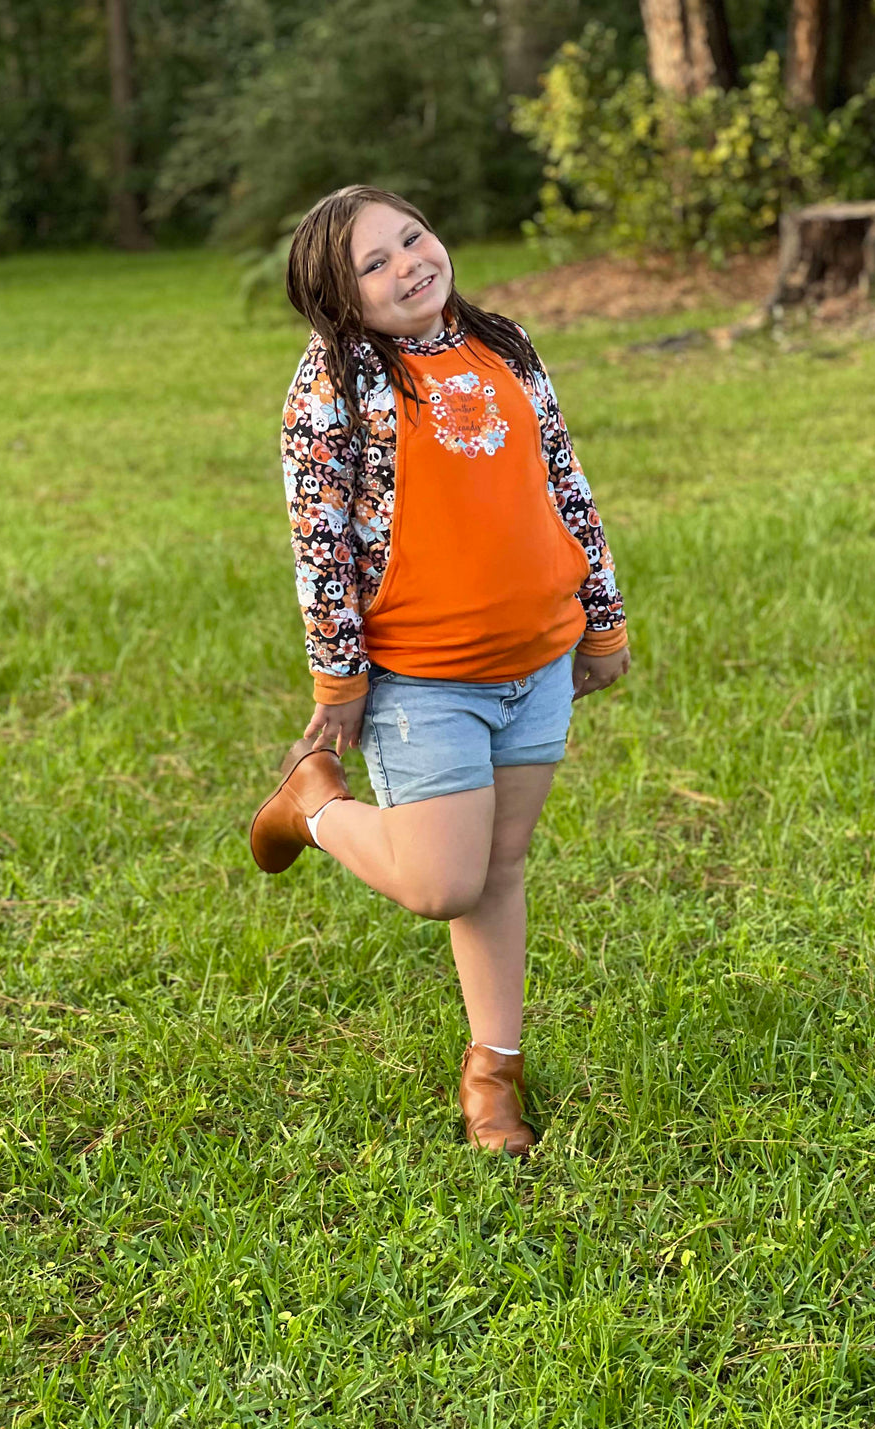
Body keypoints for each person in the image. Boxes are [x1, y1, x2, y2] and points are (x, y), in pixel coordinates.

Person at [250, 185, 630, 1157]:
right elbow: (321, 542)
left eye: (412, 238)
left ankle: (494, 1068)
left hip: (536, 660)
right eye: (373, 265)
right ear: (340, 299)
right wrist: (339, 679)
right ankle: (314, 807)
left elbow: (563, 480)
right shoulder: (335, 384)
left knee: (499, 867)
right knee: (440, 883)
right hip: (423, 674)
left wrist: (601, 619)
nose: (409, 265)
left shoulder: (503, 344)